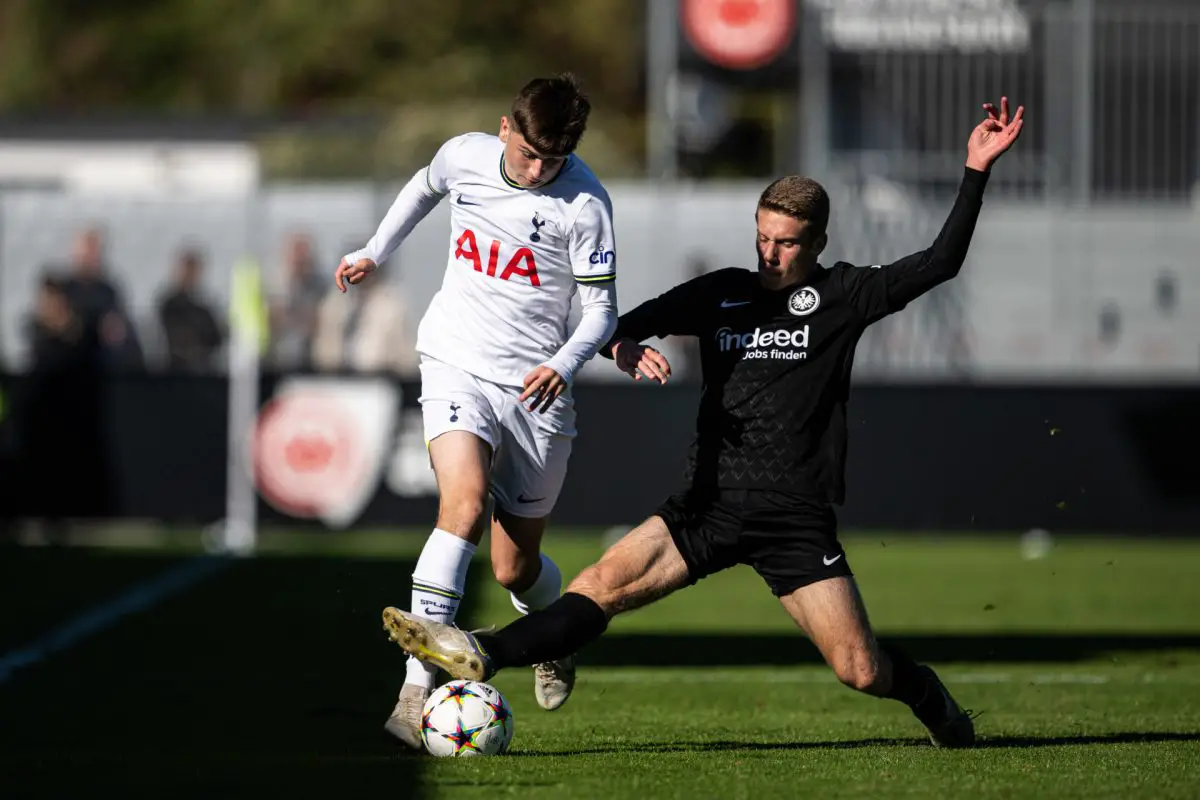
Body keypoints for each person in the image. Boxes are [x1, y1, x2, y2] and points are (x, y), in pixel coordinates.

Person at [380, 97, 1026, 749]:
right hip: (706, 507)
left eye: (788, 243)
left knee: (860, 669)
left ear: (819, 243)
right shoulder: (723, 291)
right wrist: (621, 348)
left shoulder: (845, 296)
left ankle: (926, 694)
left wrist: (975, 172)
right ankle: (481, 651)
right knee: (596, 587)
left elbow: (940, 263)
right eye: (763, 238)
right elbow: (615, 321)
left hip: (792, 518)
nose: (770, 254)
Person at [334, 73, 619, 749]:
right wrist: (376, 249)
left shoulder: (586, 202)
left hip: (537, 391)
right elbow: (423, 186)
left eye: (553, 159)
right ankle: (414, 687)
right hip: (455, 360)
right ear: (504, 127)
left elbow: (602, 309)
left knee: (515, 569)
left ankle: (550, 637)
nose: (538, 168)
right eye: (529, 154)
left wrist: (564, 363)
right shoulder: (464, 155)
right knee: (461, 504)